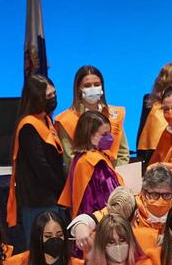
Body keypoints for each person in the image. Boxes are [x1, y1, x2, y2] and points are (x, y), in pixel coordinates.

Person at [8, 72, 68, 246]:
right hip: (39, 202)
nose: (53, 99)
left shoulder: (45, 120)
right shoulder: (29, 126)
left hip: (52, 199)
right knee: (41, 253)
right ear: (36, 98)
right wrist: (62, 189)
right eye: (48, 96)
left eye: (54, 94)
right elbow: (42, 168)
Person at [55, 65, 129, 163]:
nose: (93, 88)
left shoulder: (114, 114)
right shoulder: (66, 120)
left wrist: (113, 175)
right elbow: (70, 159)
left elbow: (122, 153)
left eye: (97, 84)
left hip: (114, 175)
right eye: (87, 85)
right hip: (84, 175)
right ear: (78, 88)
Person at [60, 111, 122, 219]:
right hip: (100, 221)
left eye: (109, 132)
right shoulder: (93, 162)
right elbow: (107, 195)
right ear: (89, 135)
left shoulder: (79, 158)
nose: (110, 138)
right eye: (104, 134)